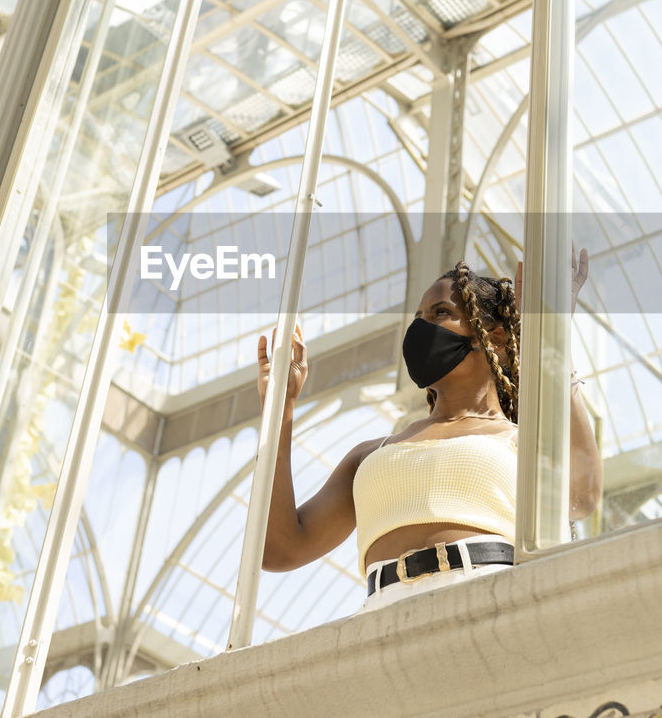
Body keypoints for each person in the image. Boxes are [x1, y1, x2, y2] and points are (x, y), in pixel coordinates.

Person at [257, 253, 603, 612]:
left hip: (489, 604)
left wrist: (552, 338)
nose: (420, 329)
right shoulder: (369, 454)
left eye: (440, 313)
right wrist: (279, 408)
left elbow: (582, 496)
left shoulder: (520, 440)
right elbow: (280, 549)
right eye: (418, 318)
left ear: (496, 338)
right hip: (381, 616)